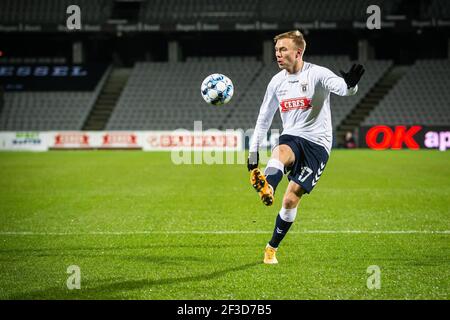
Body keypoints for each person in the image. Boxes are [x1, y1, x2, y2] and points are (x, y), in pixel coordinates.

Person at [247, 30, 365, 264]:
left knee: (290, 200)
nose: (278, 54)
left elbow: (341, 87)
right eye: (277, 50)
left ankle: (271, 247)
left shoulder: (318, 73)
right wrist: (253, 151)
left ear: (298, 52)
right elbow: (264, 117)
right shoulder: (276, 82)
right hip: (292, 136)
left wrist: (351, 85)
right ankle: (268, 187)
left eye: (283, 49)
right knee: (281, 151)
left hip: (318, 145)